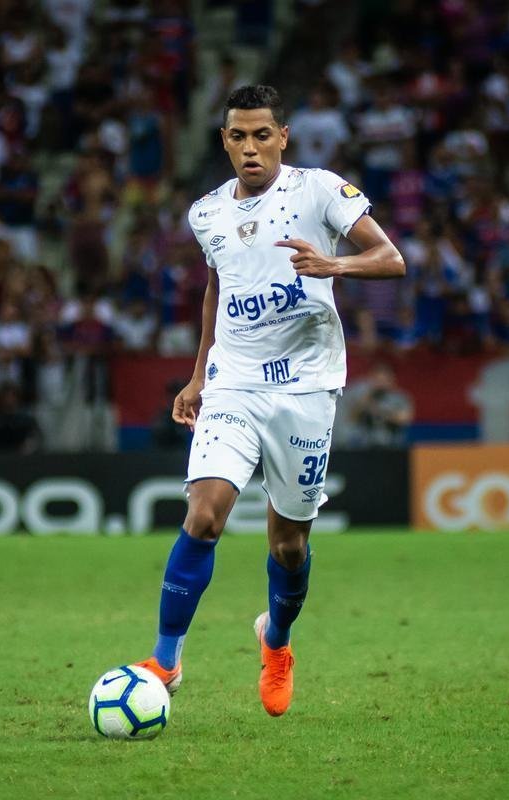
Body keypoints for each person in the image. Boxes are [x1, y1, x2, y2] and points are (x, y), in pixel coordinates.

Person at [133, 85, 404, 717]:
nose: (250, 148)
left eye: (262, 135)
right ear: (223, 140)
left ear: (283, 137)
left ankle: (276, 643)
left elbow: (391, 259)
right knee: (205, 513)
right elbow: (217, 289)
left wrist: (335, 267)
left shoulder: (319, 190)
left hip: (306, 385)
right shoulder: (205, 213)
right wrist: (199, 375)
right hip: (234, 381)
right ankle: (165, 660)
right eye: (237, 136)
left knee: (288, 545)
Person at [339, 362, 414, 448]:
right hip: (366, 446)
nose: (380, 383)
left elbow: (404, 419)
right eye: (377, 379)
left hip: (393, 446)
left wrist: (380, 412)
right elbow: (351, 417)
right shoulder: (365, 397)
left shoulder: (400, 398)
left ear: (391, 379)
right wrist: (366, 399)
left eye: (384, 380)